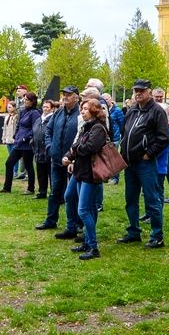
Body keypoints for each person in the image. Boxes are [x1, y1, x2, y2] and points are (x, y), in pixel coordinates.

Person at [118, 79, 169, 249]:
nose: (138, 93)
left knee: (152, 199)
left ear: (149, 91)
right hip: (130, 163)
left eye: (142, 90)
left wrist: (149, 154)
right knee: (130, 199)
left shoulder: (156, 111)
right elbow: (125, 133)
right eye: (136, 90)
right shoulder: (132, 110)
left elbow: (165, 138)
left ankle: (157, 235)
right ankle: (133, 231)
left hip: (145, 163)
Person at [63, 98, 110, 260]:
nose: (82, 111)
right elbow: (78, 145)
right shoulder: (86, 126)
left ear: (94, 111)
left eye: (85, 109)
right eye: (82, 108)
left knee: (83, 210)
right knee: (83, 207)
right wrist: (71, 154)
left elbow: (90, 147)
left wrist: (74, 151)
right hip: (80, 171)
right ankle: (87, 241)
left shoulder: (98, 128)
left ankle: (93, 247)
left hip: (91, 174)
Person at [36, 86, 81, 235]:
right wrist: (50, 147)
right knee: (55, 191)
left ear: (76, 97)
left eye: (69, 94)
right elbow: (48, 131)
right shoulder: (58, 113)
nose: (65, 97)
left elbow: (82, 136)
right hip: (56, 159)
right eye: (64, 94)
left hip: (73, 162)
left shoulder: (81, 114)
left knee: (72, 194)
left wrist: (73, 157)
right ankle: (51, 220)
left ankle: (74, 224)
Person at [0, 93, 41, 194]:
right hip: (19, 143)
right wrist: (16, 135)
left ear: (32, 101)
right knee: (9, 163)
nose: (24, 101)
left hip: (27, 145)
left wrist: (25, 138)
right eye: (24, 99)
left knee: (28, 166)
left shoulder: (35, 113)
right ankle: (7, 187)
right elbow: (19, 125)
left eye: (27, 99)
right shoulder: (23, 112)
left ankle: (30, 188)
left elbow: (35, 128)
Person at [32, 99, 56, 199]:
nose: (45, 109)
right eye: (44, 107)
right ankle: (42, 191)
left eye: (47, 107)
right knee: (41, 173)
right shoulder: (39, 119)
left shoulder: (53, 119)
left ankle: (53, 192)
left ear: (52, 108)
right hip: (38, 150)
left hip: (48, 150)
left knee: (51, 173)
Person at [102, 93, 125, 184]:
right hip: (104, 138)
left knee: (114, 158)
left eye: (107, 99)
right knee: (105, 158)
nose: (105, 101)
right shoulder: (102, 109)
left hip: (114, 137)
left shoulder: (117, 111)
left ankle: (115, 178)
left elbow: (122, 124)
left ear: (110, 99)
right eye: (103, 99)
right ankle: (106, 176)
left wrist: (119, 134)